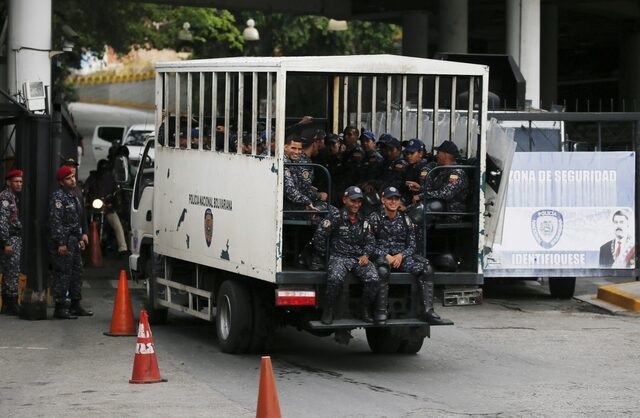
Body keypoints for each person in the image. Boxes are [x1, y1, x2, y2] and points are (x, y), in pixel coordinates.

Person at [368, 186, 447, 325]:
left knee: (426, 268)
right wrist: (386, 256)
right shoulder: (374, 218)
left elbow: (412, 246)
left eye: (396, 199)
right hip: (382, 258)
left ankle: (427, 311)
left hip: (401, 259)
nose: (393, 202)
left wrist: (401, 256)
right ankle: (381, 311)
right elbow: (369, 245)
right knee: (382, 270)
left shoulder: (406, 220)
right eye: (389, 199)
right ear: (383, 200)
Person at [311, 186, 381, 325]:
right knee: (335, 278)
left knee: (373, 278)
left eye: (359, 202)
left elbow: (371, 242)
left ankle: (363, 309)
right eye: (353, 201)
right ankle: (329, 310)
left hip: (358, 258)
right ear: (344, 200)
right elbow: (319, 237)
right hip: (339, 257)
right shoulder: (335, 216)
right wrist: (328, 255)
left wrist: (366, 255)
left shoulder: (364, 220)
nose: (356, 205)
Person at [49, 166, 93, 319]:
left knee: (77, 273)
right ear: (61, 182)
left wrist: (81, 237)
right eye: (68, 178)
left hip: (74, 240)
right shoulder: (58, 198)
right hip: (65, 241)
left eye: (73, 176)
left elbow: (77, 220)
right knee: (63, 274)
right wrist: (61, 243)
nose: (72, 180)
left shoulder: (73, 196)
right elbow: (56, 223)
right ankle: (60, 307)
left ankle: (75, 304)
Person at [84, 159, 128, 255]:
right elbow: (86, 188)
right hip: (93, 208)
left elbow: (116, 193)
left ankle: (123, 248)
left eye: (106, 170)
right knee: (83, 221)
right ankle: (83, 245)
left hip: (107, 208)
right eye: (102, 170)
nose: (104, 172)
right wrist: (87, 197)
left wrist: (113, 202)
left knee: (117, 224)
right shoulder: (92, 178)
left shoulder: (111, 180)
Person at [421, 140, 469, 220]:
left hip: (451, 213)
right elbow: (435, 190)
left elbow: (445, 194)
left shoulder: (457, 173)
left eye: (438, 152)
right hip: (440, 208)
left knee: (421, 213)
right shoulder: (444, 170)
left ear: (445, 154)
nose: (436, 155)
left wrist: (422, 196)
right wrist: (420, 188)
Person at [0, 170, 23, 315]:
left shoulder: (12, 197)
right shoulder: (5, 198)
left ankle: (9, 304)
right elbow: (2, 222)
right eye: (16, 181)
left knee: (11, 271)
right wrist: (6, 242)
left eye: (21, 181)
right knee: (11, 271)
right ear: (8, 183)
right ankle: (11, 303)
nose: (19, 184)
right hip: (10, 239)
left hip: (13, 238)